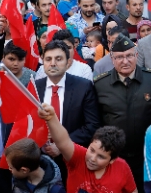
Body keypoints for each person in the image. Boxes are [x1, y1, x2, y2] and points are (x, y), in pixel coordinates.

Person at [93, 35, 151, 193]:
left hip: (147, 158)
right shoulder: (100, 84)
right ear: (112, 59)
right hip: (115, 158)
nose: (125, 61)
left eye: (129, 56)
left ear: (136, 56)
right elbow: (97, 121)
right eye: (119, 57)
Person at [37, 103, 138, 193]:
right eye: (92, 150)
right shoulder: (79, 157)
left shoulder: (122, 167)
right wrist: (52, 118)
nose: (92, 158)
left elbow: (132, 192)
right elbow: (63, 141)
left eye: (101, 157)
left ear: (112, 160)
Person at [35, 40, 101, 180]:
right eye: (48, 59)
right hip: (40, 162)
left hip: (74, 158)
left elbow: (92, 125)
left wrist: (62, 146)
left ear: (68, 62)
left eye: (58, 59)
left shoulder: (83, 87)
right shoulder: (34, 88)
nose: (53, 63)